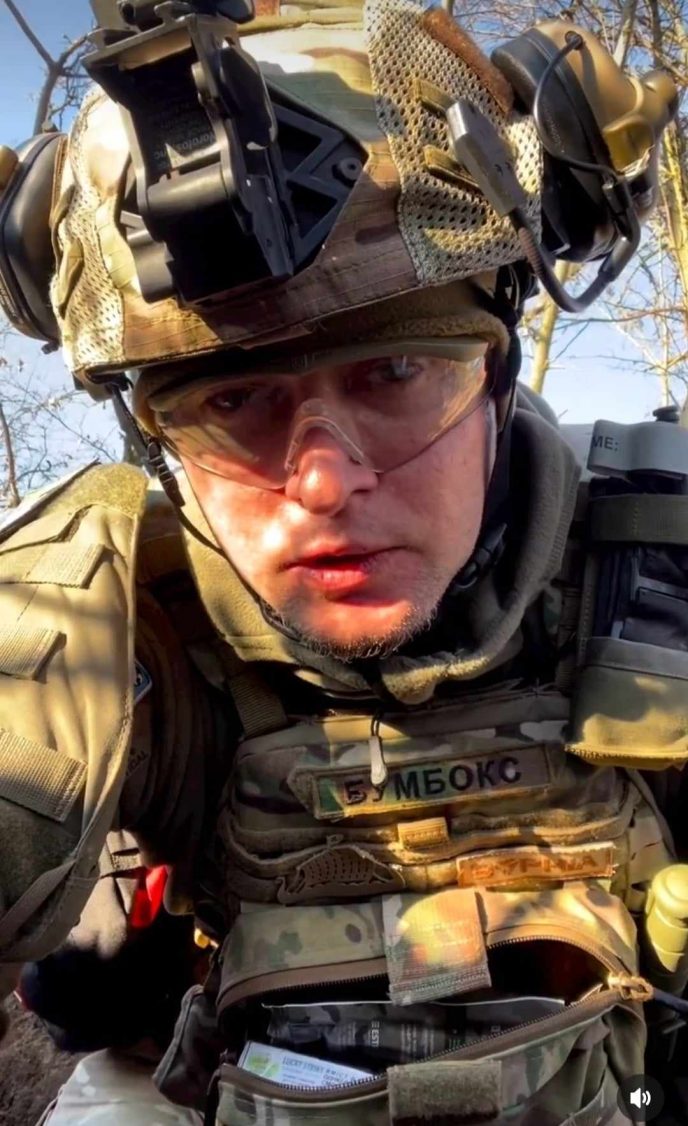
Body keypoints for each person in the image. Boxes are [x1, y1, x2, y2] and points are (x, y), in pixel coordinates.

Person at [0, 2, 684, 1123]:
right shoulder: (129, 636)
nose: (322, 482)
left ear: (496, 375)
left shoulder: (660, 576)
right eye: (234, 403)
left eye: (395, 373)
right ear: (158, 442)